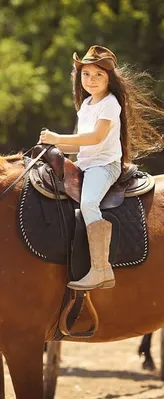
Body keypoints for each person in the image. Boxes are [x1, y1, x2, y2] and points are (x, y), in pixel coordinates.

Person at [39, 45, 163, 290]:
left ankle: (101, 268)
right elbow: (81, 143)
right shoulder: (86, 105)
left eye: (98, 75)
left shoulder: (110, 104)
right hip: (85, 164)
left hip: (104, 167)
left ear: (109, 79)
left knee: (88, 203)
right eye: (86, 74)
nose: (91, 80)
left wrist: (57, 137)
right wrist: (52, 145)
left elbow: (96, 138)